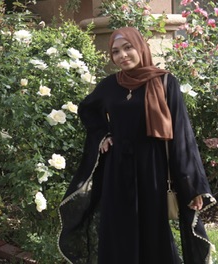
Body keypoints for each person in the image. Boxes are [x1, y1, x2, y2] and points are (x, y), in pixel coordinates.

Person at [58, 27, 217, 264]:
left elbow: (182, 136)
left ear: (140, 47)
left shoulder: (165, 82)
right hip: (117, 168)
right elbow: (88, 109)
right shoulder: (110, 85)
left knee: (153, 231)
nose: (122, 55)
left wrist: (192, 187)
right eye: (116, 51)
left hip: (152, 169)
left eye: (128, 47)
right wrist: (103, 134)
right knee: (117, 228)